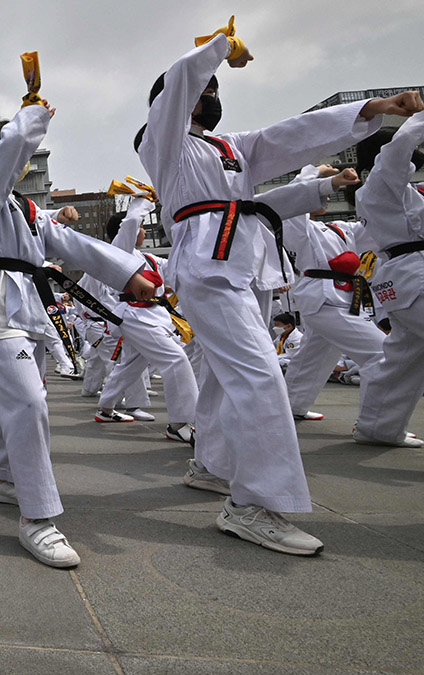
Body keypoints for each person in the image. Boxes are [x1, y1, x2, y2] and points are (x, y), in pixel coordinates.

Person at [137, 16, 421, 555]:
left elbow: (288, 142)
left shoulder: (231, 147)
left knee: (226, 377)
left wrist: (372, 112)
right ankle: (252, 505)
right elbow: (177, 84)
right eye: (205, 90)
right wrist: (217, 50)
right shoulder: (164, 141)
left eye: (215, 89)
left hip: (243, 265)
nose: (211, 95)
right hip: (208, 262)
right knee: (262, 375)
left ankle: (211, 465)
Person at [0, 88, 149, 567]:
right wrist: (28, 118)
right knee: (29, 402)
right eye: (9, 150)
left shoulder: (21, 207)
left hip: (30, 305)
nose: (21, 162)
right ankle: (38, 518)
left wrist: (130, 274)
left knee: (28, 399)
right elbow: (3, 158)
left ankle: (3, 479)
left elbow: (69, 243)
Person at [281, 164, 385, 422]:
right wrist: (312, 172)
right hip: (323, 298)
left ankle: (289, 406)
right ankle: (376, 424)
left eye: (328, 194)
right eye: (320, 193)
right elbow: (292, 196)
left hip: (346, 297)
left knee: (314, 358)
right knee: (382, 354)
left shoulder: (342, 228)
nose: (327, 198)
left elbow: (378, 226)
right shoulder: (298, 227)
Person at [94, 196, 198, 441]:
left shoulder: (149, 259)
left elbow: (176, 265)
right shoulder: (120, 251)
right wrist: (144, 201)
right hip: (135, 316)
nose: (142, 230)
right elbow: (130, 222)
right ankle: (180, 423)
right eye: (142, 226)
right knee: (176, 360)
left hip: (153, 316)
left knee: (132, 365)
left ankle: (106, 407)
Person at [353, 110, 424, 446]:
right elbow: (401, 145)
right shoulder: (382, 180)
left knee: (403, 362)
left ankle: (378, 428)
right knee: (403, 359)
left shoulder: (383, 194)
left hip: (400, 277)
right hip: (414, 273)